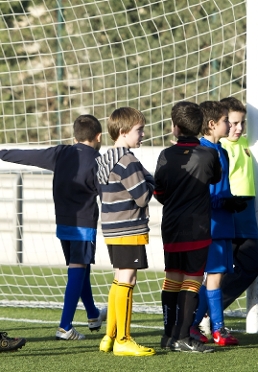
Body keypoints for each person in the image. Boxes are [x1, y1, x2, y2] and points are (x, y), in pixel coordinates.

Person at [0, 115, 106, 341]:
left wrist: (2, 153)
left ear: (74, 136)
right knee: (78, 268)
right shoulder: (98, 160)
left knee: (81, 267)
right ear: (98, 136)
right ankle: (65, 327)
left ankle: (93, 315)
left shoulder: (61, 153)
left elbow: (27, 156)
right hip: (84, 225)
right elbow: (107, 194)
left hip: (63, 223)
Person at [154, 101, 221, 353]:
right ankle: (183, 336)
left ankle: (169, 335)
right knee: (192, 281)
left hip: (171, 225)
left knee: (171, 278)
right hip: (197, 227)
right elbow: (216, 177)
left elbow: (158, 191)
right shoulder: (208, 154)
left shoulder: (165, 155)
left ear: (175, 128)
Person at [96, 107, 155, 357]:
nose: (142, 135)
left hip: (111, 225)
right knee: (128, 280)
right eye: (138, 130)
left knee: (119, 278)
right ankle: (123, 338)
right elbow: (143, 196)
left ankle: (109, 336)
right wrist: (150, 179)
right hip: (128, 226)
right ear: (123, 132)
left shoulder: (104, 158)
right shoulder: (128, 160)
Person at [190, 101, 243, 346]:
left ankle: (191, 324)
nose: (230, 126)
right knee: (214, 276)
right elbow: (201, 192)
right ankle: (217, 329)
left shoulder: (220, 149)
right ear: (212, 124)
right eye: (226, 122)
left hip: (221, 222)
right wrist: (225, 202)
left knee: (215, 275)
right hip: (210, 223)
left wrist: (230, 200)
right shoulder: (203, 151)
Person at [218, 96, 258, 310]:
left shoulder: (247, 143)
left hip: (247, 212)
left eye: (242, 123)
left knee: (251, 266)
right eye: (233, 123)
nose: (238, 128)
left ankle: (206, 312)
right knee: (224, 268)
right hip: (230, 210)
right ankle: (204, 313)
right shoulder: (220, 148)